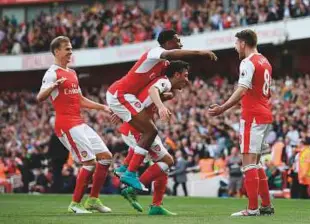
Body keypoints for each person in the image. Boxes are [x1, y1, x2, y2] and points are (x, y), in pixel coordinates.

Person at [106, 29, 217, 191]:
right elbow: (167, 64)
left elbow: (147, 88)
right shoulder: (155, 53)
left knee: (149, 134)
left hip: (126, 97)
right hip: (121, 94)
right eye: (177, 40)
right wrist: (200, 52)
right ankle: (130, 173)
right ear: (168, 42)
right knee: (151, 132)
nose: (180, 44)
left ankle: (125, 169)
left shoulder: (163, 67)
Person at [37, 36, 113, 214]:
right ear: (57, 51)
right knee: (89, 162)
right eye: (67, 49)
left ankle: (93, 200)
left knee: (106, 157)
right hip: (66, 124)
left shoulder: (72, 73)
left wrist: (102, 107)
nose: (70, 52)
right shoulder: (52, 73)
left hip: (79, 122)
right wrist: (53, 86)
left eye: (71, 49)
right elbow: (40, 97)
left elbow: (80, 100)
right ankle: (75, 204)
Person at [208, 29, 274, 217]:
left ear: (243, 43)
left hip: (252, 117)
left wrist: (223, 107)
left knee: (248, 164)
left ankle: (252, 208)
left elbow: (243, 88)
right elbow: (261, 92)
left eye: (236, 43)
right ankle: (266, 205)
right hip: (264, 114)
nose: (235, 47)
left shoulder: (248, 62)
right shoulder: (265, 61)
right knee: (257, 163)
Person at [115, 60, 190, 215]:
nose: (187, 80)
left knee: (164, 165)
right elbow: (152, 91)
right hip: (138, 130)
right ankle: (131, 188)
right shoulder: (163, 82)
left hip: (138, 129)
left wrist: (164, 99)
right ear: (176, 74)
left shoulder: (162, 84)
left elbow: (144, 98)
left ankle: (156, 205)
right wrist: (162, 106)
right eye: (186, 75)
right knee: (167, 161)